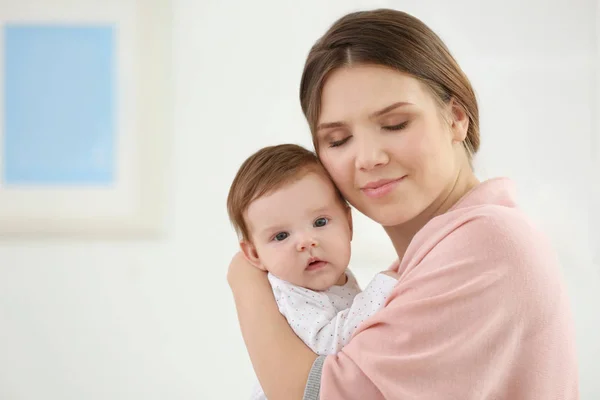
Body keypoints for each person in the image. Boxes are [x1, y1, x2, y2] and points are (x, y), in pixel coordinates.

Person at [227, 8, 579, 400]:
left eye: (395, 124)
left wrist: (246, 280)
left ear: (456, 117)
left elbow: (318, 394)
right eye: (338, 140)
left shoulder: (487, 243)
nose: (368, 158)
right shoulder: (426, 262)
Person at [226, 144, 399, 400]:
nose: (306, 242)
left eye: (320, 222)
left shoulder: (331, 277)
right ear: (254, 254)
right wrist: (382, 288)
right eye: (281, 235)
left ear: (348, 224)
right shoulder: (290, 293)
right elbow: (327, 344)